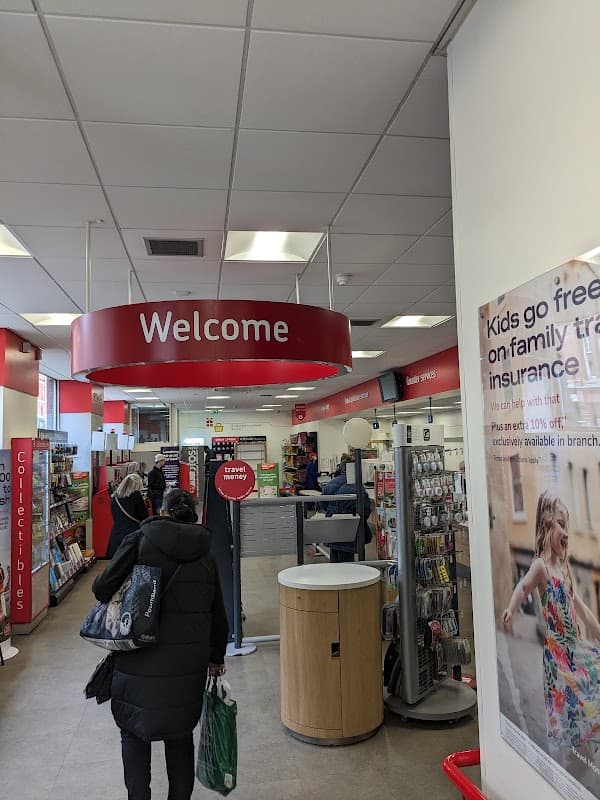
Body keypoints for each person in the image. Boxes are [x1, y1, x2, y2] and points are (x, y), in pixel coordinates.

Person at [92, 489, 229, 800]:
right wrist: (216, 655)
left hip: (136, 655)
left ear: (163, 511)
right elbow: (218, 611)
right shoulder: (204, 551)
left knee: (134, 732)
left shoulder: (140, 540)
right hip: (188, 663)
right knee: (180, 736)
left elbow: (102, 588)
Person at [502, 490, 600, 758]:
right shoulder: (541, 567)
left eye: (566, 525)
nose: (565, 532)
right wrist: (511, 609)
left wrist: (597, 632)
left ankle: (581, 752)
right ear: (546, 524)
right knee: (572, 712)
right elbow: (523, 587)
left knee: (592, 684)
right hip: (558, 657)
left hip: (574, 650)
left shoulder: (564, 569)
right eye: (560, 523)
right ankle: (575, 757)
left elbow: (580, 606)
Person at [322, 462, 372, 563]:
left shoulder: (332, 482)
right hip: (348, 525)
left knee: (334, 554)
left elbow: (322, 502)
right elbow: (365, 509)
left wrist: (331, 511)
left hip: (332, 523)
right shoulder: (357, 486)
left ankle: (335, 577)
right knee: (347, 559)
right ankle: (347, 577)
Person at [107, 474, 148, 559]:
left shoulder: (114, 497)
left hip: (116, 536)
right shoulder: (136, 495)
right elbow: (144, 516)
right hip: (133, 535)